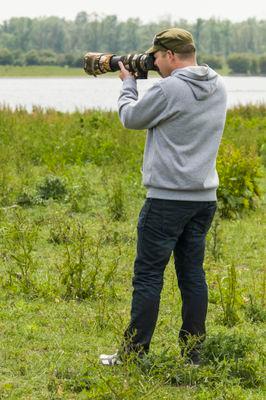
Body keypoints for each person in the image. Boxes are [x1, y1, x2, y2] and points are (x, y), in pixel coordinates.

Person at [99, 28, 227, 366]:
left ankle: (134, 354)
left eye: (155, 56)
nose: (152, 62)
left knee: (148, 276)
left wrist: (128, 83)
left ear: (170, 55)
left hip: (167, 199)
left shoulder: (170, 88)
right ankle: (193, 355)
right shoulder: (218, 84)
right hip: (203, 199)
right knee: (192, 275)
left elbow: (130, 118)